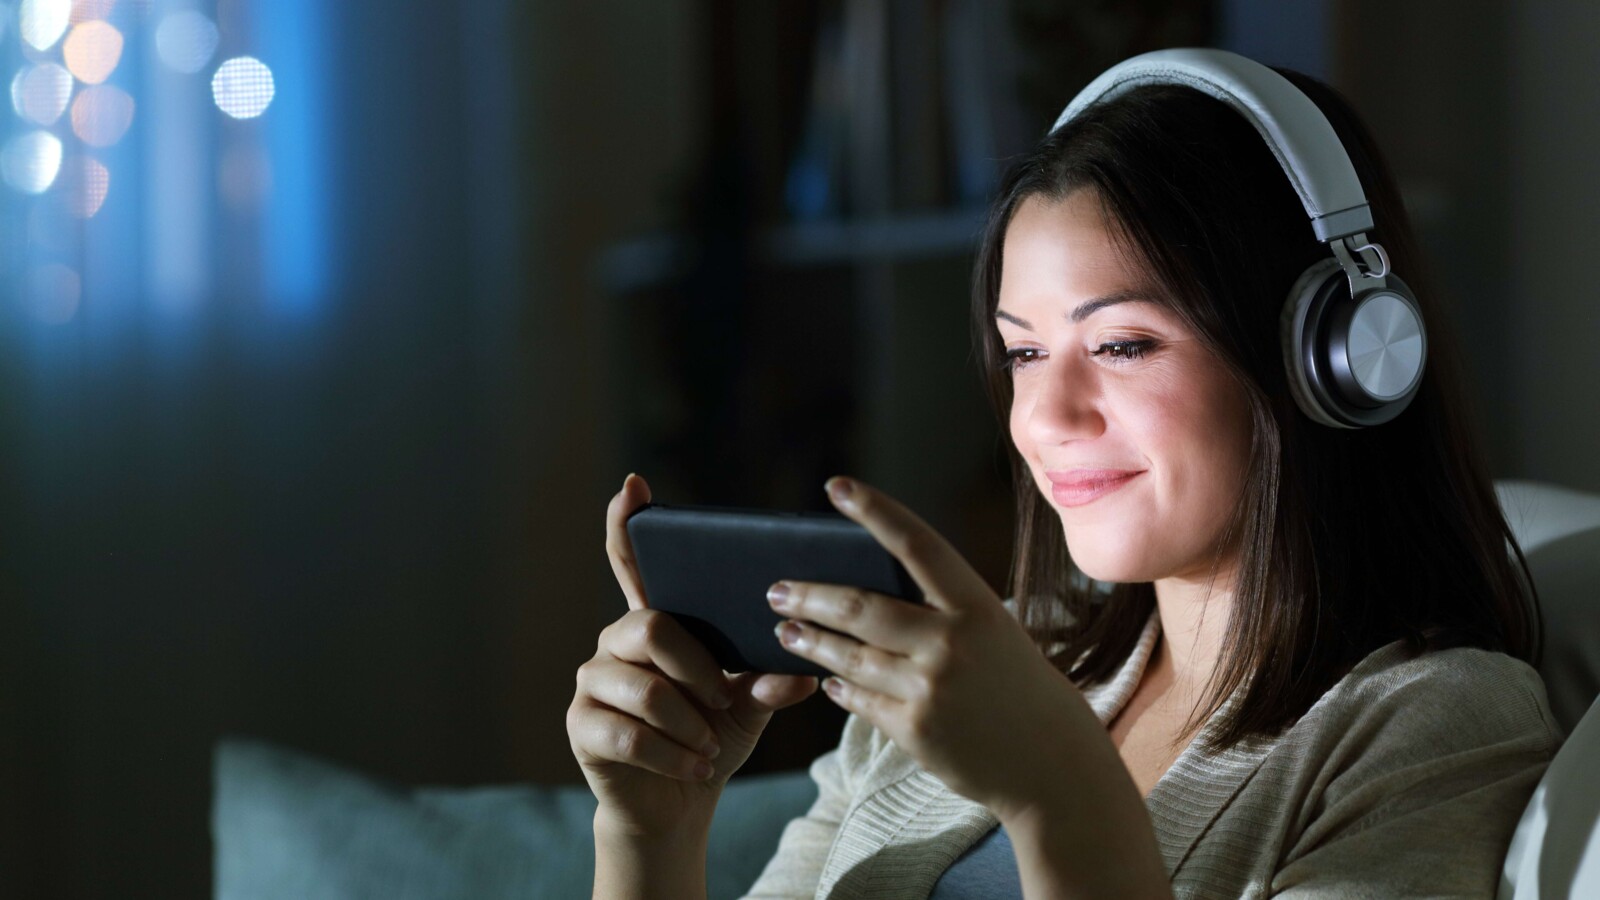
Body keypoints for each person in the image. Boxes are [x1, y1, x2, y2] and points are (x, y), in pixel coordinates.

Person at [567, 49, 1560, 898]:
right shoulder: (975, 671)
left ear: (1336, 355)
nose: (1042, 417)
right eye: (1024, 353)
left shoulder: (1437, 726)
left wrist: (1055, 791)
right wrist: (652, 833)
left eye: (1122, 345)